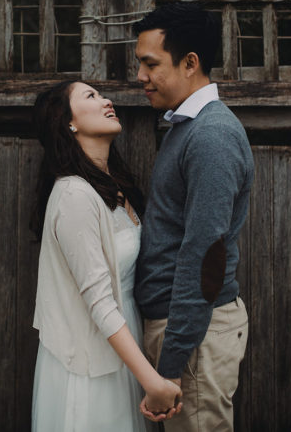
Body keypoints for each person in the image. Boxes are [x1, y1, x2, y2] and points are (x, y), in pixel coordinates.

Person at [30, 80, 182, 432]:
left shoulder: (114, 185)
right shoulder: (73, 196)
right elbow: (98, 300)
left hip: (124, 344)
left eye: (101, 94)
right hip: (91, 359)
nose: (106, 100)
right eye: (91, 96)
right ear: (69, 122)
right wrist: (152, 381)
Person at [133, 2, 255, 431]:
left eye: (151, 64)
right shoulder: (185, 127)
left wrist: (170, 364)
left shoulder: (211, 136)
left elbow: (205, 256)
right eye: (139, 64)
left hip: (193, 339)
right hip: (184, 335)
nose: (140, 76)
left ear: (190, 63)